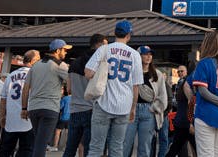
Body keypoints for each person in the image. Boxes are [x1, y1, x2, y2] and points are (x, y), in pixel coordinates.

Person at [85, 21, 144, 157]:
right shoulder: (135, 54)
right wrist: (133, 108)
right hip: (124, 105)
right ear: (129, 35)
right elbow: (136, 86)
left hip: (103, 101)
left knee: (95, 148)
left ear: (114, 33)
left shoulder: (104, 49)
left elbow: (88, 73)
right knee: (117, 147)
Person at [23, 39, 71, 157]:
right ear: (58, 50)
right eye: (64, 50)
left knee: (38, 141)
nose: (66, 53)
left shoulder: (35, 66)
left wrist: (24, 108)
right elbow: (71, 87)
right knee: (41, 143)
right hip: (50, 108)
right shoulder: (60, 65)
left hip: (33, 108)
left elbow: (25, 89)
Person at [63, 34, 108, 157]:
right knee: (90, 149)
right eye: (106, 45)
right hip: (92, 110)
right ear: (100, 45)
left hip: (75, 110)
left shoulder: (74, 63)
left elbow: (69, 89)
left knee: (70, 148)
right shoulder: (100, 64)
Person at [123, 46, 168, 157]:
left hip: (148, 110)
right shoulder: (130, 72)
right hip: (131, 110)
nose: (148, 56)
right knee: (125, 144)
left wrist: (154, 108)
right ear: (139, 56)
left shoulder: (157, 74)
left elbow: (163, 96)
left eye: (150, 54)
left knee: (145, 146)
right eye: (145, 54)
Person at [0, 50, 40, 157]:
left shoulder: (11, 75)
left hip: (11, 118)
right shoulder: (36, 75)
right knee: (26, 150)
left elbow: (3, 98)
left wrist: (2, 116)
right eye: (38, 59)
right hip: (28, 119)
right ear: (33, 61)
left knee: (6, 150)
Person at [166, 64, 194, 157]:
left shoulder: (184, 83)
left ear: (186, 72)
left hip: (183, 120)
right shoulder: (182, 84)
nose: (180, 73)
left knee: (176, 148)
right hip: (184, 121)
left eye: (182, 71)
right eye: (179, 71)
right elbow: (190, 102)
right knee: (178, 148)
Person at [50, 87, 71, 152]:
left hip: (63, 117)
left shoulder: (65, 98)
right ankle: (66, 147)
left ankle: (55, 146)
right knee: (68, 133)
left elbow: (60, 107)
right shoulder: (74, 99)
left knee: (57, 132)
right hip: (70, 118)